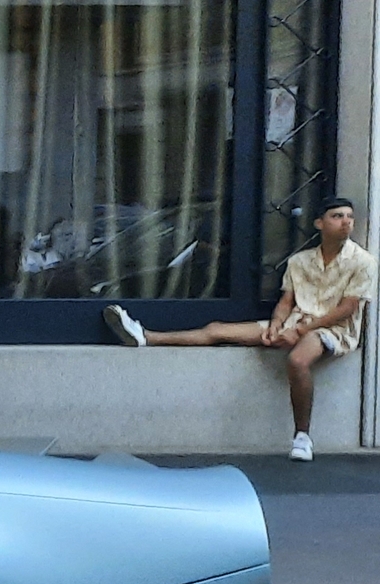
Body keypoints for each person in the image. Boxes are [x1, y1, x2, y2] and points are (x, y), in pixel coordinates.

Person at [104, 196, 373, 462]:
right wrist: (276, 326)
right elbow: (285, 302)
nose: (346, 222)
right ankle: (147, 337)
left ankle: (302, 436)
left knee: (298, 360)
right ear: (319, 223)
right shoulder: (300, 261)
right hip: (294, 322)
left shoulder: (363, 262)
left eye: (349, 217)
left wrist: (300, 331)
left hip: (333, 330)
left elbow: (346, 309)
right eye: (337, 216)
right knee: (217, 329)